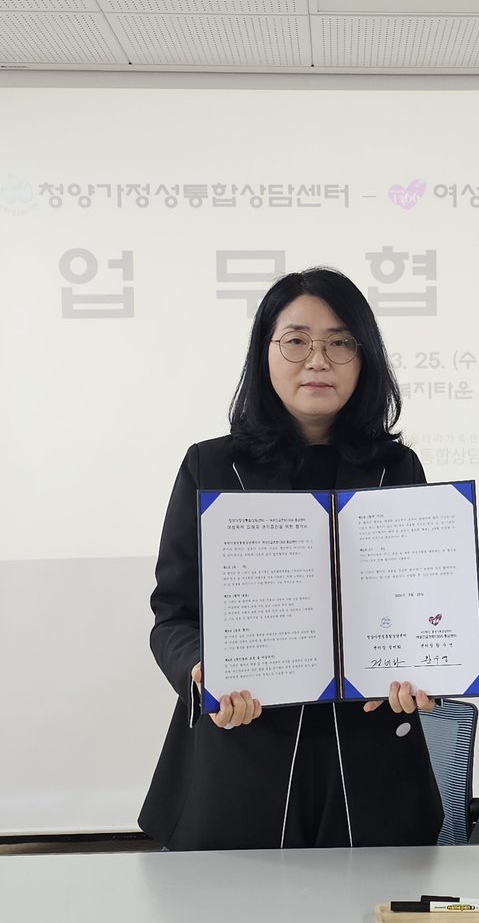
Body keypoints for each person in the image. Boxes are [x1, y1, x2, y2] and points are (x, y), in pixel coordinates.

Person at [140, 268, 443, 851]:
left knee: (374, 909)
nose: (318, 360)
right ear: (265, 352)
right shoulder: (210, 467)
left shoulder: (397, 468)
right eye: (297, 340)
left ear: (365, 357)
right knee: (241, 909)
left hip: (370, 763)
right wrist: (201, 669)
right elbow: (173, 614)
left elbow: (417, 608)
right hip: (242, 754)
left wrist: (426, 671)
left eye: (340, 342)